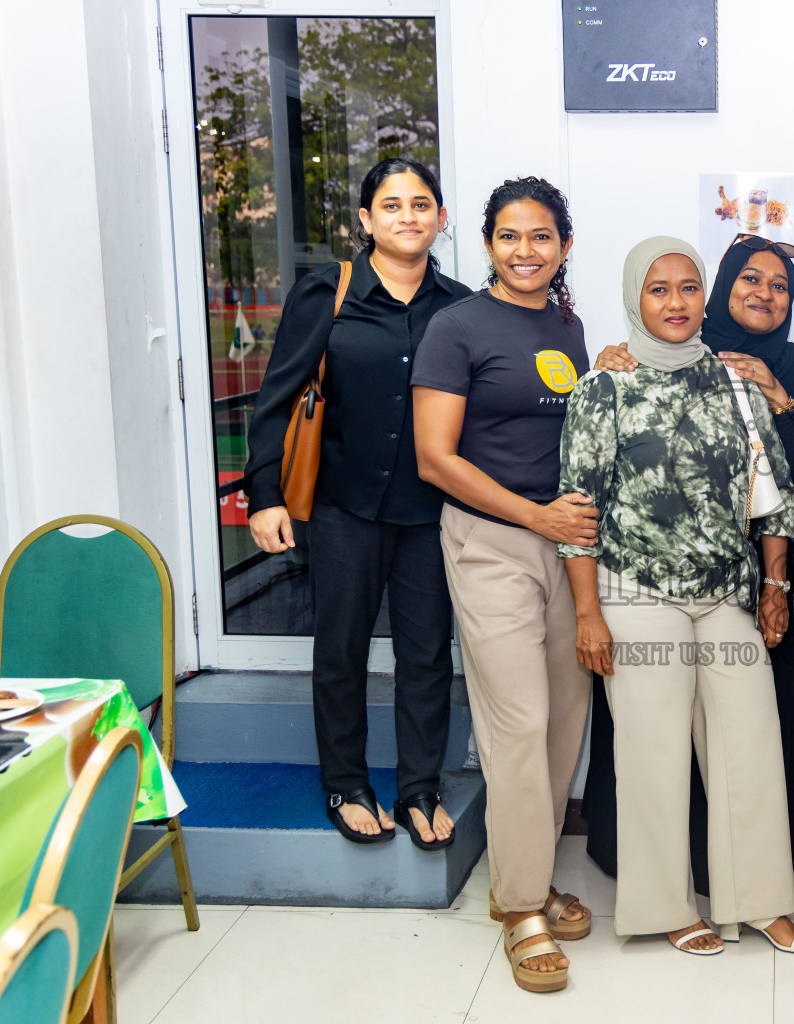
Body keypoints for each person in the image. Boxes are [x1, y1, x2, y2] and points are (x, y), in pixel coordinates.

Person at [558, 236, 794, 956]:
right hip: (635, 591)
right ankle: (666, 906)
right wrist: (588, 613)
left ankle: (762, 902)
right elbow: (578, 509)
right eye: (658, 289)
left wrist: (773, 584)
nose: (675, 303)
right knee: (653, 752)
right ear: (636, 299)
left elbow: (775, 494)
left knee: (752, 746)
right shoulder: (602, 387)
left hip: (727, 593)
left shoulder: (736, 380)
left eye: (687, 288)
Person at [243, 157, 470, 848]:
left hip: (430, 513)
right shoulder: (328, 292)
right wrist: (263, 495)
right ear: (366, 220)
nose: (409, 216)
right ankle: (345, 784)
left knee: (427, 654)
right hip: (343, 505)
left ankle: (420, 787)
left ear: (441, 219)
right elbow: (278, 395)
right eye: (393, 205)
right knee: (339, 648)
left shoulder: (458, 306)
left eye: (422, 204)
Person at [411, 177, 595, 993]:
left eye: (542, 236)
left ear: (562, 245)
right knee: (517, 723)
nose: (527, 250)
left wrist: (566, 528)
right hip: (492, 543)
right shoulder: (456, 327)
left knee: (563, 721)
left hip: (569, 550)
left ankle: (534, 872)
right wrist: (536, 517)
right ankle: (519, 905)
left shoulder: (569, 324)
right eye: (511, 236)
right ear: (487, 243)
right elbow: (434, 459)